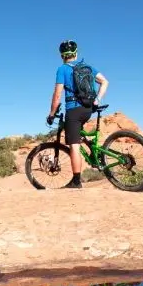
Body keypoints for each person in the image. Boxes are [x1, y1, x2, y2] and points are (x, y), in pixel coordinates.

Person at [47, 40, 109, 189]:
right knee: (79, 135)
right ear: (76, 53)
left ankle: (76, 181)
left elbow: (57, 95)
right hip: (88, 109)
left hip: (74, 110)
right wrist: (97, 100)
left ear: (62, 55)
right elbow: (105, 82)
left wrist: (51, 113)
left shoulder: (62, 69)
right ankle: (95, 155)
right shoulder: (87, 67)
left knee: (74, 145)